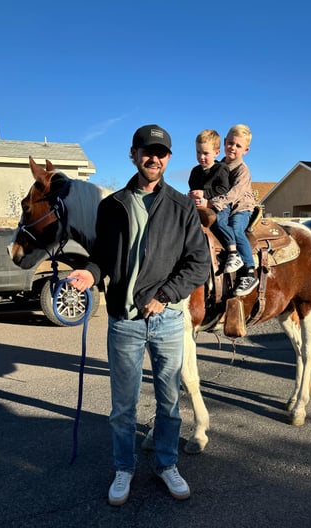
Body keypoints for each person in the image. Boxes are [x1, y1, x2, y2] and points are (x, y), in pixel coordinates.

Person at [69, 124, 210, 506]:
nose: (154, 158)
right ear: (133, 154)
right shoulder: (112, 205)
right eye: (147, 151)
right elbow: (101, 257)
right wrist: (90, 273)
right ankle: (124, 468)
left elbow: (199, 263)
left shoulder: (181, 206)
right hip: (124, 321)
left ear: (168, 158)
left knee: (169, 402)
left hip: (167, 319)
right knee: (123, 407)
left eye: (161, 153)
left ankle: (166, 464)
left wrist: (165, 296)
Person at [189, 124, 258, 296]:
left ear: (246, 150)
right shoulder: (217, 166)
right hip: (223, 207)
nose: (233, 147)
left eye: (238, 145)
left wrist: (209, 203)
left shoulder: (242, 170)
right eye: (230, 143)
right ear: (225, 142)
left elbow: (233, 194)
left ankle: (249, 270)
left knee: (236, 228)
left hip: (240, 208)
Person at [188, 129, 230, 202]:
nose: (201, 157)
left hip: (216, 204)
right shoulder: (195, 171)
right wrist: (192, 194)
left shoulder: (220, 169)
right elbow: (192, 187)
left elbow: (224, 189)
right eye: (198, 152)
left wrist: (204, 193)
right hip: (198, 203)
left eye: (206, 153)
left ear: (216, 153)